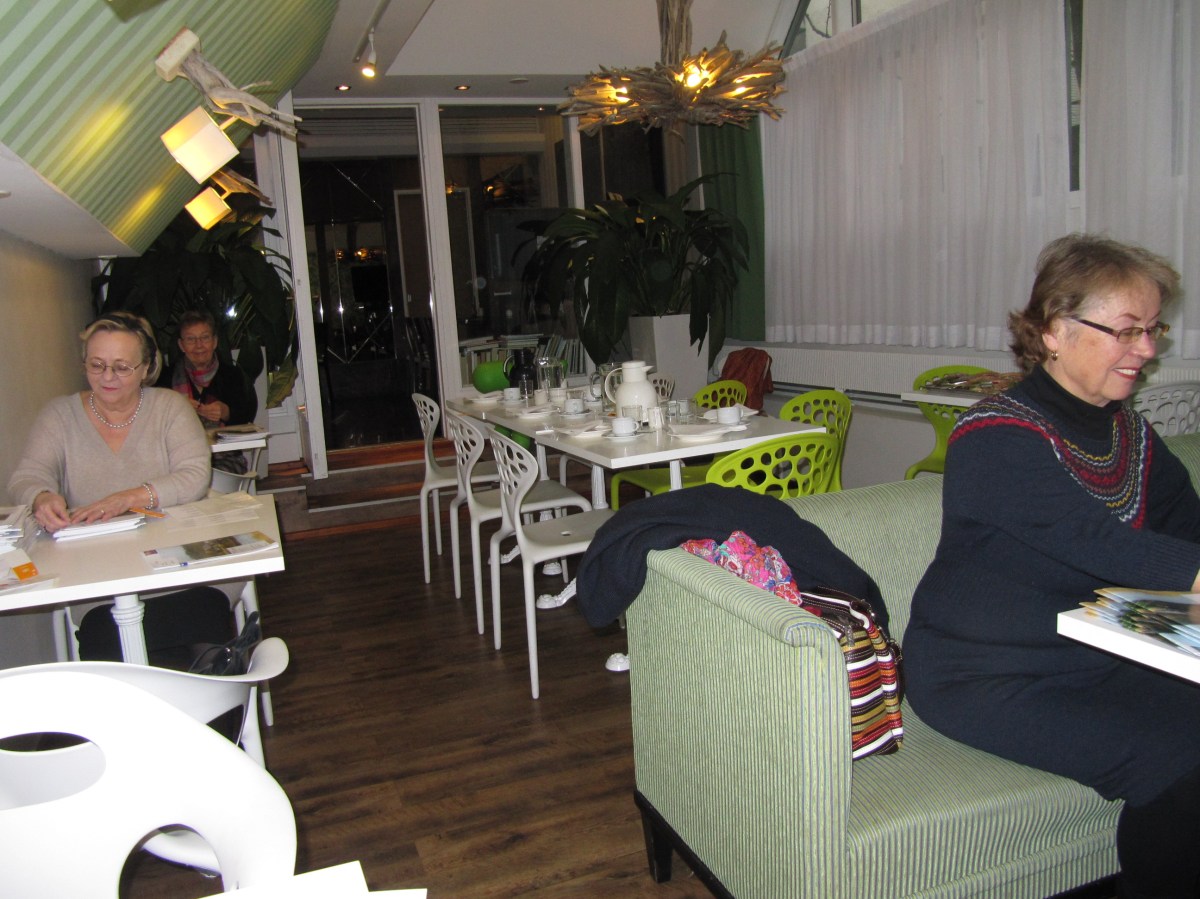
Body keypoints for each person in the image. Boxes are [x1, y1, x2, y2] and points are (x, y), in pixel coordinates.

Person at [904, 234, 1200, 899]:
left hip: (1095, 655)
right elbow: (1094, 539)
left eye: (1153, 329)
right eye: (1127, 330)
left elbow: (1187, 523)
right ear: (1056, 332)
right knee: (1180, 760)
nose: (1146, 349)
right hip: (983, 672)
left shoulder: (1128, 433)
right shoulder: (994, 435)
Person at [7, 311, 233, 667]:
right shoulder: (60, 416)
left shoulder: (169, 408)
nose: (107, 377)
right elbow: (26, 476)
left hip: (181, 572)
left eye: (122, 367)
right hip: (99, 582)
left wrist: (127, 498)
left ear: (146, 368)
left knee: (203, 628)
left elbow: (193, 477)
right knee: (109, 644)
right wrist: (41, 496)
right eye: (96, 365)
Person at [163, 309, 258, 475]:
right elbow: (154, 419)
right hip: (178, 460)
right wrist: (177, 407)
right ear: (181, 345)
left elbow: (246, 416)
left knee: (214, 478)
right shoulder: (166, 378)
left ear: (214, 342)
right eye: (191, 339)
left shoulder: (232, 375)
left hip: (225, 458)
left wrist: (226, 412)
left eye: (205, 338)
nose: (199, 345)